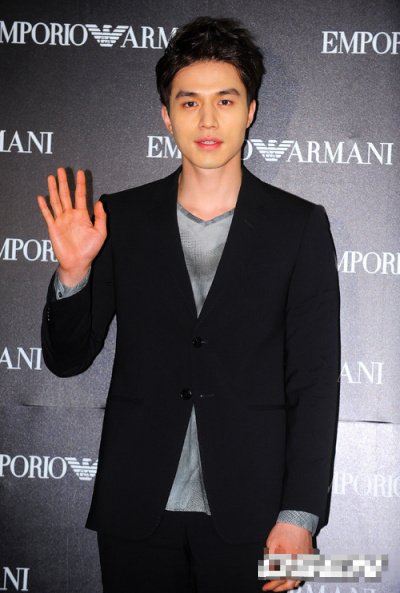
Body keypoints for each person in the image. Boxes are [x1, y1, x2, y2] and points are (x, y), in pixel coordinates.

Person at [37, 16, 340, 593]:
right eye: (189, 102)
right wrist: (73, 273)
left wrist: (300, 516)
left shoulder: (298, 226)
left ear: (250, 111)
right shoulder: (119, 219)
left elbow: (315, 381)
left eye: (225, 100)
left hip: (254, 513)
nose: (207, 120)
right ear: (166, 116)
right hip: (135, 508)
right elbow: (67, 360)